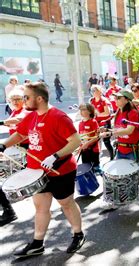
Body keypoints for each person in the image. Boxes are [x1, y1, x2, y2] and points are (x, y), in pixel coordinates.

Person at [0, 82, 85, 257]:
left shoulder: (59, 117)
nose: (24, 101)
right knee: (40, 207)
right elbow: (21, 134)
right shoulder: (31, 117)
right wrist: (3, 145)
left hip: (60, 170)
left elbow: (76, 141)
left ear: (39, 98)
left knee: (66, 204)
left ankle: (78, 234)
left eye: (27, 97)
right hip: (36, 171)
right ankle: (37, 243)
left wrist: (55, 156)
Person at [99, 90, 139, 210]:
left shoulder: (133, 113)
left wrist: (110, 132)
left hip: (134, 150)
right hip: (121, 149)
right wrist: (106, 131)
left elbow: (129, 130)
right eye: (115, 98)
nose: (115, 100)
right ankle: (117, 200)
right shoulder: (117, 113)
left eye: (118, 98)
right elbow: (118, 131)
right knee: (119, 175)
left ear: (126, 99)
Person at [0, 89, 30, 226]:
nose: (16, 102)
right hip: (16, 147)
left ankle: (9, 209)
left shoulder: (24, 111)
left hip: (27, 147)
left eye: (19, 99)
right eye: (14, 100)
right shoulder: (14, 111)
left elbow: (19, 120)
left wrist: (1, 122)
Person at [89, 85, 114, 160]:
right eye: (92, 90)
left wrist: (97, 113)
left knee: (106, 142)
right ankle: (97, 158)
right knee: (95, 141)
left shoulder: (104, 100)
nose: (93, 92)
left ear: (99, 91)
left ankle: (112, 157)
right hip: (96, 123)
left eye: (95, 90)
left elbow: (107, 113)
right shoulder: (91, 100)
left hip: (104, 123)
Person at [78, 103, 101, 173]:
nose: (82, 111)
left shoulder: (93, 122)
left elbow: (97, 136)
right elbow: (80, 137)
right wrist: (80, 147)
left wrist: (87, 144)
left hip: (93, 150)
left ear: (90, 111)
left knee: (96, 169)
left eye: (84, 109)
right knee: (86, 169)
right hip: (84, 151)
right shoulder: (80, 123)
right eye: (81, 110)